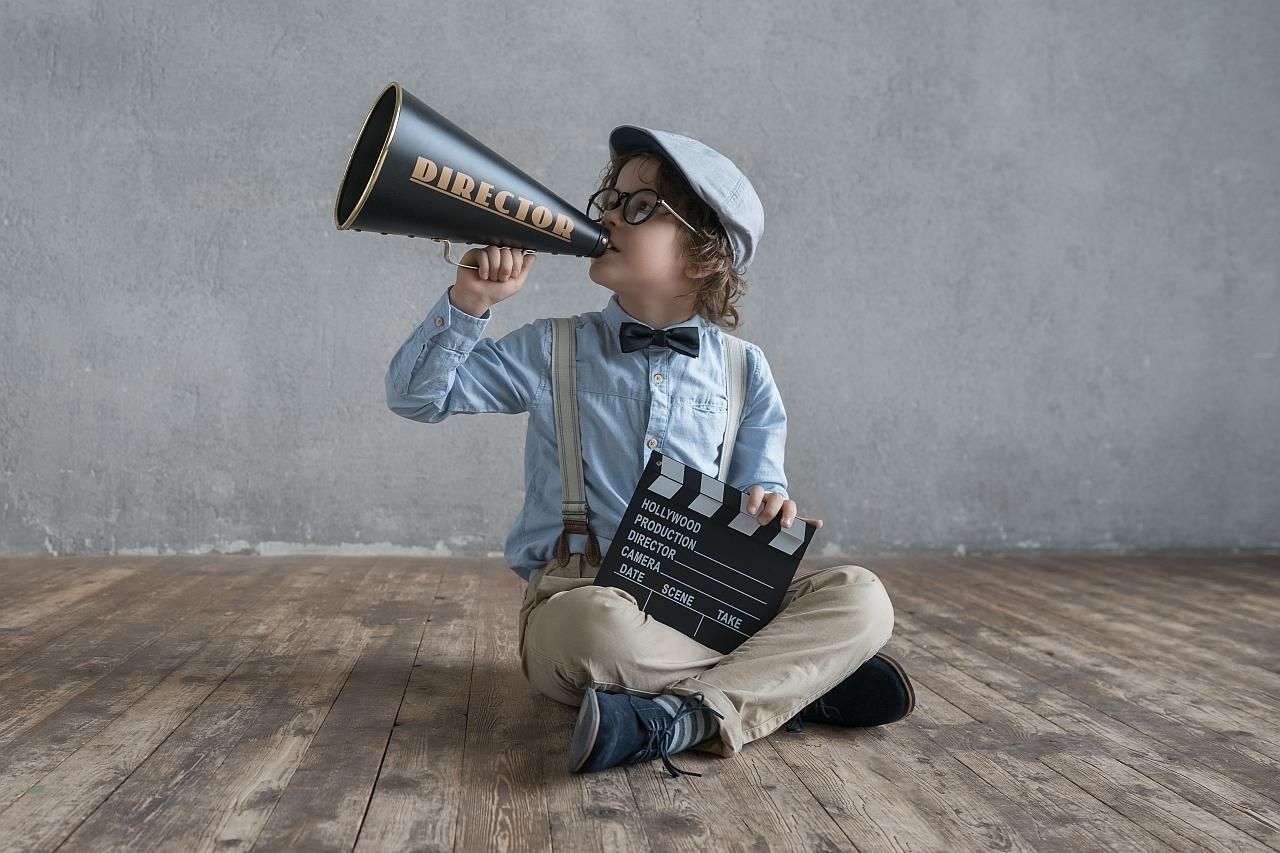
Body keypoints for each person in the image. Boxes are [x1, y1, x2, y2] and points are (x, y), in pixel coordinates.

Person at [385, 125, 914, 779]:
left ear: (702, 257)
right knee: (595, 631)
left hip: (704, 598)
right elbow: (414, 397)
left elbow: (761, 495)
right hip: (579, 598)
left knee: (864, 596)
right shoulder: (552, 348)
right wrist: (470, 303)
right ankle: (790, 682)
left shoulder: (748, 371)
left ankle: (689, 715)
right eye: (609, 195)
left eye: (638, 207)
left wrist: (768, 506)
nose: (607, 211)